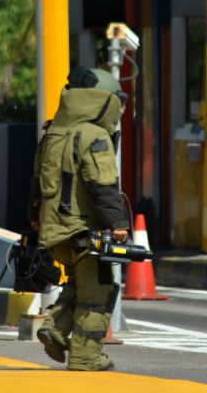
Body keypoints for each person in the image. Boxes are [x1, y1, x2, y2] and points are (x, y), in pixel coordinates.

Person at [27, 66, 130, 371]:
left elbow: (35, 182)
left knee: (78, 283)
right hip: (85, 228)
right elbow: (103, 185)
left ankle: (55, 329)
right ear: (103, 101)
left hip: (54, 228)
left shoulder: (53, 132)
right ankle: (87, 356)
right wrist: (118, 224)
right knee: (98, 291)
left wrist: (35, 217)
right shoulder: (95, 136)